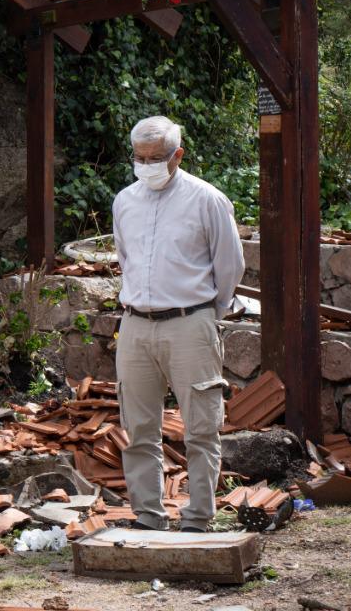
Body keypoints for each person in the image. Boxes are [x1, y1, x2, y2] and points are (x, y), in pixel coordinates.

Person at [111, 115, 245, 534]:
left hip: (191, 322)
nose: (147, 164)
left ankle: (197, 519)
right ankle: (149, 518)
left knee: (202, 428)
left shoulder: (207, 200)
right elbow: (125, 259)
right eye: (139, 157)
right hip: (135, 324)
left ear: (178, 155)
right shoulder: (125, 201)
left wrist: (208, 314)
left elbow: (230, 266)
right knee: (139, 428)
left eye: (156, 157)